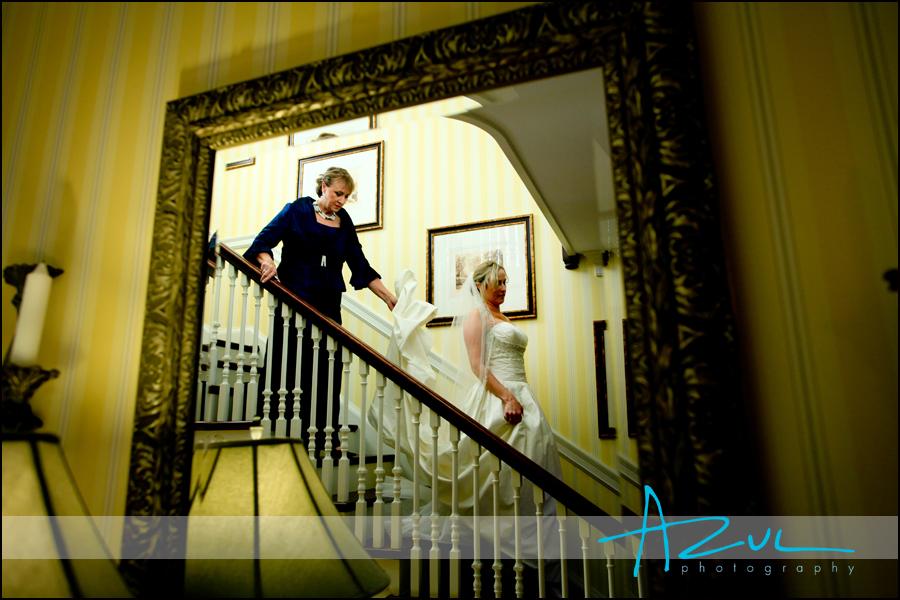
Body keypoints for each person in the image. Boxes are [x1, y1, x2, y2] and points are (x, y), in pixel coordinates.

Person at [243, 167, 396, 448]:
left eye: (346, 196)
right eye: (338, 193)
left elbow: (359, 264)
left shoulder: (345, 222)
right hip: (295, 295)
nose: (342, 200)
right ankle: (276, 427)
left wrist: (388, 298)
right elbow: (263, 242)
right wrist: (266, 261)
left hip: (328, 301)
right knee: (287, 360)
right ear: (323, 186)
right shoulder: (297, 210)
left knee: (328, 364)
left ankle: (326, 431)